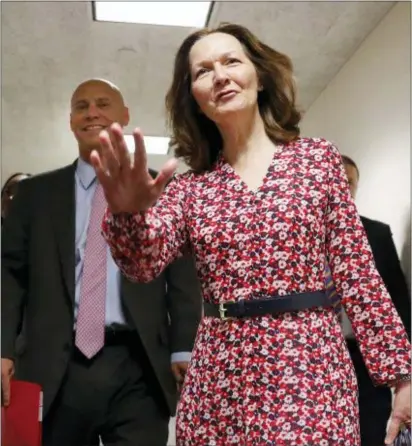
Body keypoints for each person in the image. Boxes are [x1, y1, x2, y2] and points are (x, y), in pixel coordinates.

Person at [91, 24, 411, 445]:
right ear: (196, 100)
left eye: (231, 61)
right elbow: (143, 262)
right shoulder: (190, 188)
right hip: (218, 377)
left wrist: (401, 376)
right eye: (203, 71)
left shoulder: (317, 161)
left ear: (259, 77)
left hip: (308, 364)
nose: (219, 75)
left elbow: (358, 274)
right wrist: (128, 215)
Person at [1, 79, 202, 446]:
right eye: (81, 106)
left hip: (138, 364)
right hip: (55, 364)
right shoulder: (34, 196)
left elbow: (184, 276)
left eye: (103, 103)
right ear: (71, 120)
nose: (92, 112)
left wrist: (183, 346)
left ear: (124, 116)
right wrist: (3, 347)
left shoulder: (163, 190)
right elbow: (9, 277)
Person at [336, 154, 410, 445]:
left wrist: (404, 369)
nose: (343, 188)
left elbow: (397, 298)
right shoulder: (299, 234)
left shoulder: (376, 233)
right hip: (315, 352)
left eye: (349, 183)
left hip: (367, 358)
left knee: (373, 431)